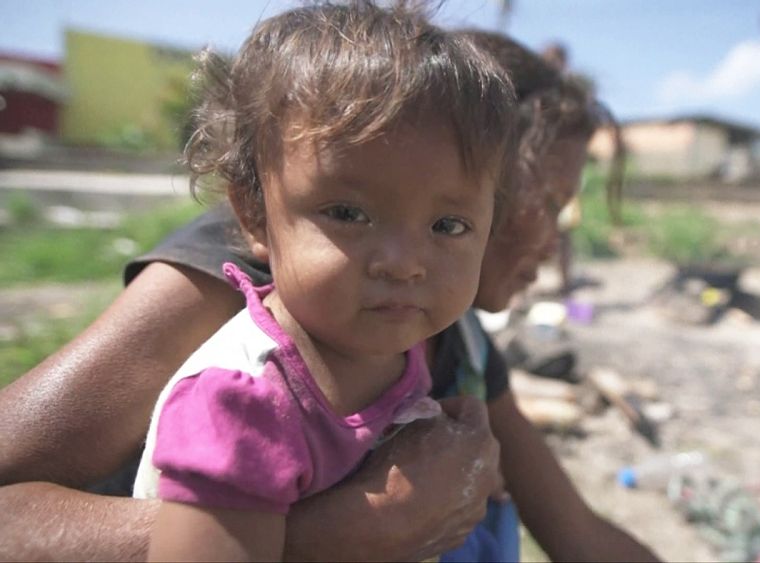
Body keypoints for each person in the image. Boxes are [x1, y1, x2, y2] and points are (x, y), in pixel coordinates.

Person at [0, 26, 658, 563]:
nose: (553, 240)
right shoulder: (249, 294)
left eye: (449, 223)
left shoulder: (451, 339)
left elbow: (579, 533)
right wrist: (324, 531)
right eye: (547, 202)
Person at [128, 3, 516, 561]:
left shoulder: (389, 348)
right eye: (348, 214)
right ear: (255, 214)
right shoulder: (242, 409)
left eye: (448, 225)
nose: (404, 263)